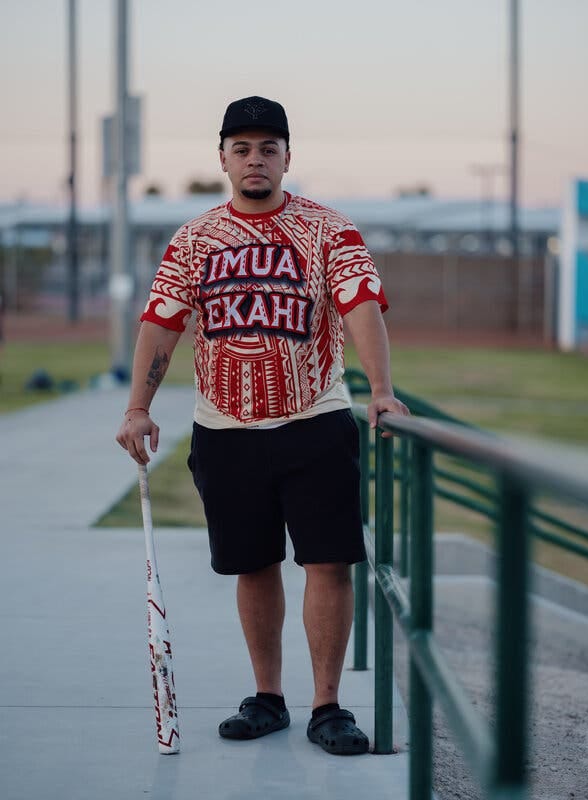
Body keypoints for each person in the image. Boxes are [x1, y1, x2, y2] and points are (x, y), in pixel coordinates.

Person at [117, 95, 409, 756]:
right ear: (223, 158)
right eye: (242, 148)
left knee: (329, 562)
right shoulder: (195, 239)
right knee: (254, 565)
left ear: (286, 157)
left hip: (314, 421)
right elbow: (162, 322)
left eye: (267, 148)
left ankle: (328, 707)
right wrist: (138, 406)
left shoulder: (329, 230)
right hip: (225, 427)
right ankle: (268, 697)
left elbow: (362, 307)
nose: (255, 159)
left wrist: (383, 391)